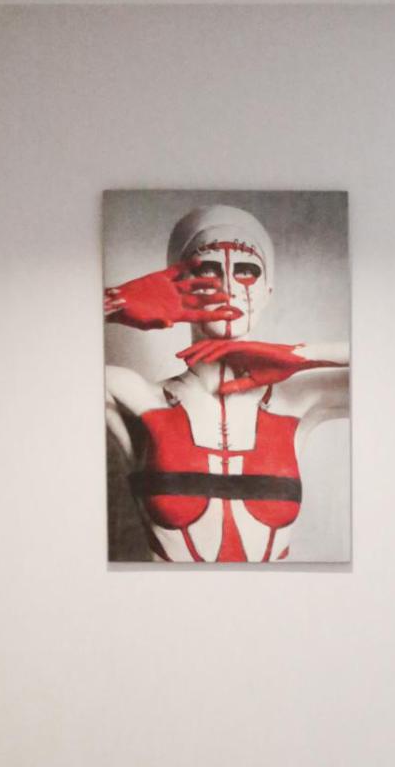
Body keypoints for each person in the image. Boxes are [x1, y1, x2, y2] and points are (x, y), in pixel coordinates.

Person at [105, 203, 349, 563]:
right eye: (207, 269)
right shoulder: (136, 397)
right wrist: (112, 303)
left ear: (267, 292)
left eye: (247, 271)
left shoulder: (298, 401)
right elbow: (35, 372)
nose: (228, 286)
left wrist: (298, 354)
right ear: (176, 284)